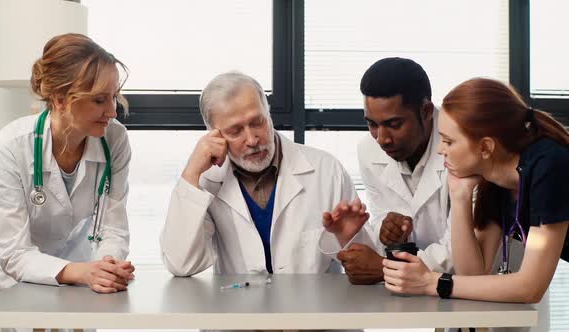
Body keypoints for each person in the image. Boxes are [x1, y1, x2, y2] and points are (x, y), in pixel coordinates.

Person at [382, 77, 569, 307]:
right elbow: (473, 276)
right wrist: (459, 196)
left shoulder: (549, 166)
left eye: (449, 142)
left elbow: (530, 287)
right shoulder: (497, 180)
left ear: (485, 147)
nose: (440, 150)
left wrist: (431, 282)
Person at [160, 71, 367, 276]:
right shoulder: (205, 182)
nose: (251, 139)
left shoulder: (326, 170)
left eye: (257, 122)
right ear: (214, 135)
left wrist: (347, 238)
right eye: (235, 131)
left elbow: (365, 263)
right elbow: (181, 264)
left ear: (268, 114)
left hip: (313, 307)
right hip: (239, 306)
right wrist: (190, 173)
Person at [0, 33, 135, 296]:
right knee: (31, 320)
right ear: (60, 99)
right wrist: (84, 271)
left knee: (85, 313)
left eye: (114, 96)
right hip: (12, 252)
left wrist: (107, 265)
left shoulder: (115, 138)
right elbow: (15, 253)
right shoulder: (10, 146)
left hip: (74, 248)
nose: (112, 111)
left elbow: (113, 225)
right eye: (99, 100)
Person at [336, 57, 453, 285]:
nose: (382, 139)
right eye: (371, 124)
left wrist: (383, 268)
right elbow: (381, 213)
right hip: (425, 291)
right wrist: (387, 231)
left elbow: (461, 251)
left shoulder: (460, 144)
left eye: (394, 124)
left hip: (491, 288)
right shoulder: (368, 150)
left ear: (427, 111)